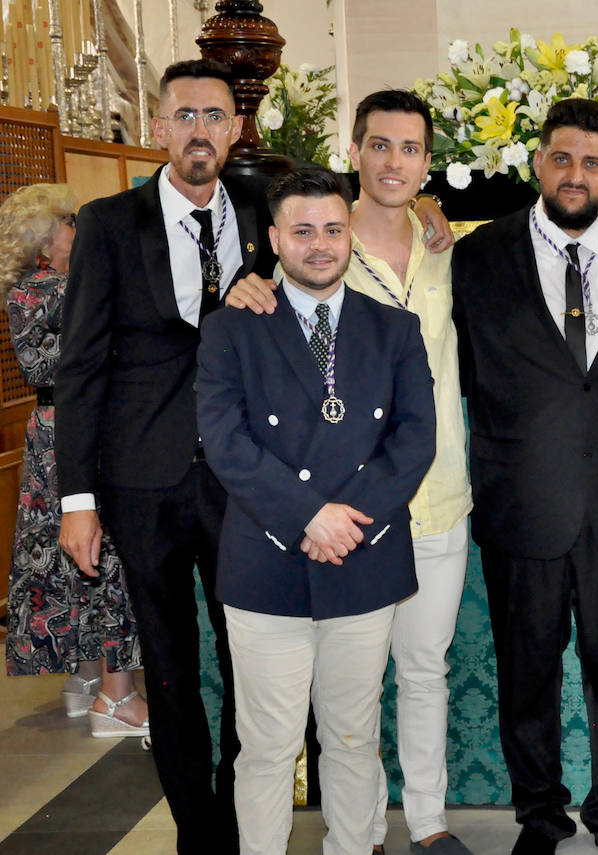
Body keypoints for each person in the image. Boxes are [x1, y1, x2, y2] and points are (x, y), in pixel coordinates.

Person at [230, 89, 474, 855]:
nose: (395, 161)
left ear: (427, 162)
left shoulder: (445, 247)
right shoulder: (310, 255)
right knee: (348, 707)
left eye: (411, 149)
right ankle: (361, 833)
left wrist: (432, 210)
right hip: (342, 515)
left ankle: (427, 823)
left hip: (436, 495)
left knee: (424, 670)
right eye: (380, 145)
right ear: (355, 152)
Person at [54, 58, 279, 853]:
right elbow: (79, 367)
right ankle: (199, 832)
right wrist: (76, 501)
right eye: (185, 115)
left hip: (241, 482)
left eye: (214, 116)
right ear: (157, 128)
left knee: (250, 660)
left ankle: (246, 815)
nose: (199, 131)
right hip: (142, 482)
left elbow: (349, 221)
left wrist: (426, 208)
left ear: (236, 130)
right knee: (173, 668)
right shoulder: (110, 223)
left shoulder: (265, 214)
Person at [450, 98, 598, 855]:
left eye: (590, 162)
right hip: (521, 499)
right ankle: (539, 817)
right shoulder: (478, 256)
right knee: (526, 676)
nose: (574, 174)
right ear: (536, 164)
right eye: (561, 158)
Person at [196, 166, 436, 855]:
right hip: (266, 564)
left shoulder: (394, 328)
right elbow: (225, 442)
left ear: (350, 234)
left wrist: (344, 520)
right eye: (302, 231)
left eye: (333, 229)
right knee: (268, 745)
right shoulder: (231, 329)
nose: (320, 244)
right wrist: (308, 516)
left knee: (354, 737)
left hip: (363, 556)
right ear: (274, 239)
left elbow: (415, 439)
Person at [1, 184, 146, 739]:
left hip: (49, 429)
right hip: (81, 431)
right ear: (43, 241)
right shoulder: (59, 289)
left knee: (69, 563)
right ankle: (118, 695)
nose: (78, 229)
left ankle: (85, 679)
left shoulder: (27, 291)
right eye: (67, 220)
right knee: (106, 554)